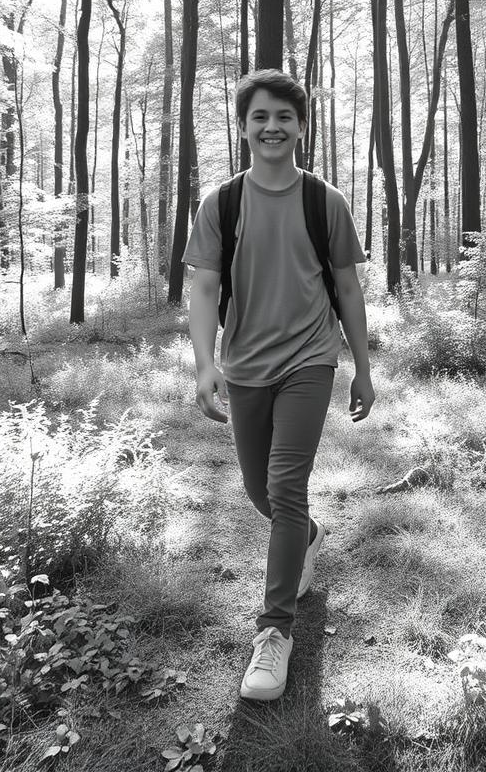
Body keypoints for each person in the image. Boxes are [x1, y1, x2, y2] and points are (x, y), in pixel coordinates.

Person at [183, 68, 375, 702]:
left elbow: (347, 287)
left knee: (286, 485)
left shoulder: (325, 201)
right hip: (243, 364)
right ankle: (310, 537)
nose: (273, 127)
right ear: (244, 128)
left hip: (309, 360)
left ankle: (275, 634)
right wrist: (205, 362)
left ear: (301, 126)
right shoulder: (223, 204)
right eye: (260, 117)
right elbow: (205, 287)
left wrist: (362, 367)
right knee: (262, 492)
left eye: (285, 117)